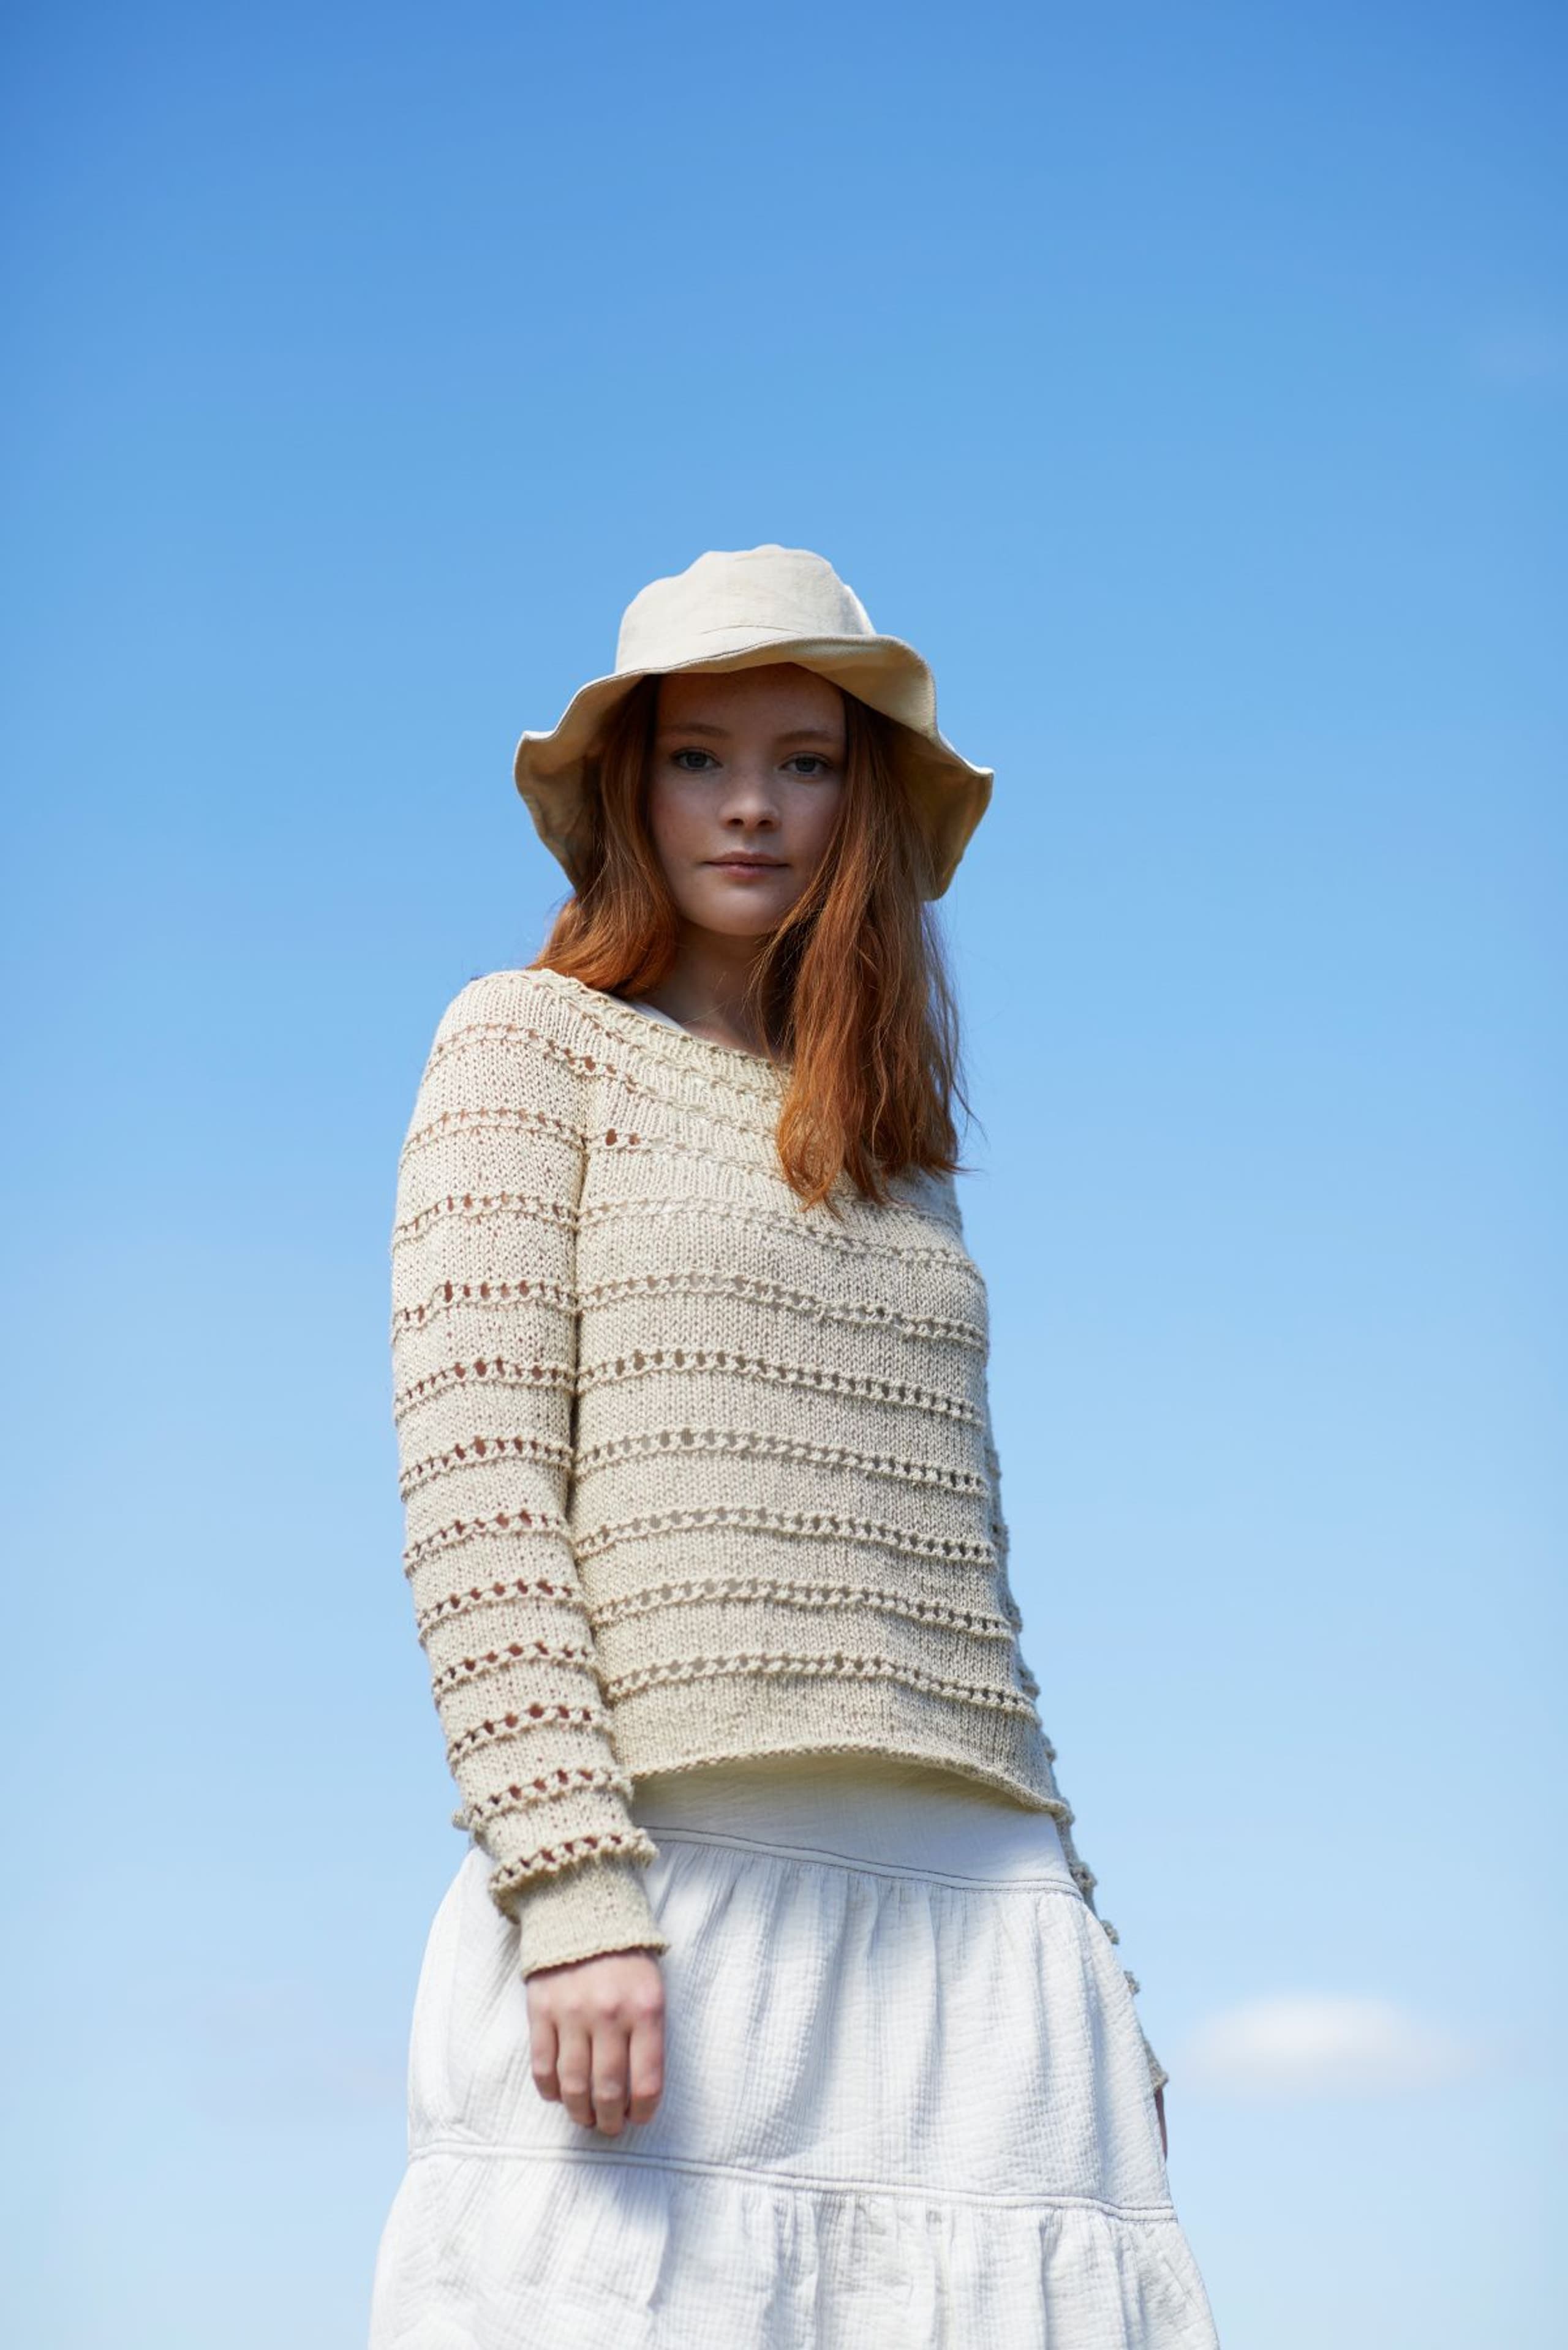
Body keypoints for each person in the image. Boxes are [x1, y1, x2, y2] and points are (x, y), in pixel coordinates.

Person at [368, 544, 1221, 2346]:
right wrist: (572, 1884)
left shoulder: (902, 1164)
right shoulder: (526, 1047)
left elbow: (962, 1607)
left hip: (977, 1936)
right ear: (632, 788)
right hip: (677, 1896)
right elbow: (479, 1495)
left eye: (804, 761)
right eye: (699, 757)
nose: (749, 804)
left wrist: (1093, 1964)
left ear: (862, 802)